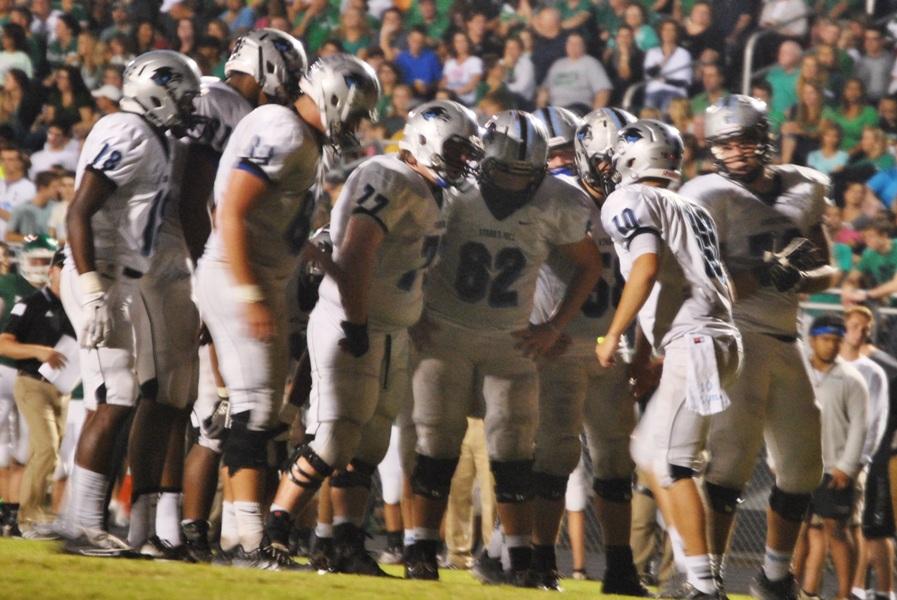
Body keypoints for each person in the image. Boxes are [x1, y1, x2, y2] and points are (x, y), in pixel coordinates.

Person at [264, 100, 481, 575]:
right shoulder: (387, 175)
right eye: (459, 148)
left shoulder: (430, 189)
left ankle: (344, 544)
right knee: (335, 437)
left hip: (390, 328)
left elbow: (402, 267)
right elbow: (358, 252)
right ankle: (273, 535)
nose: (465, 159)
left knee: (370, 444)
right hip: (350, 321)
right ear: (427, 140)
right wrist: (358, 322)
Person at [195, 54, 379, 568]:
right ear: (334, 97)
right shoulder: (287, 132)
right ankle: (253, 544)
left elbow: (278, 224)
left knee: (265, 417)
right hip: (239, 276)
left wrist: (329, 265)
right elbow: (230, 210)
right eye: (358, 111)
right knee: (253, 413)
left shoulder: (295, 133)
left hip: (252, 274)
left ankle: (239, 536)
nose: (359, 124)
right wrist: (250, 291)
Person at [404, 110, 601, 585]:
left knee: (514, 450)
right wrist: (412, 307)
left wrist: (554, 325)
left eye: (524, 173)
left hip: (510, 338)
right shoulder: (454, 191)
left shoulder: (558, 199)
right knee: (435, 443)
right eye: (506, 170)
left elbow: (589, 266)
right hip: (447, 331)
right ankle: (420, 550)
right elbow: (410, 248)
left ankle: (518, 559)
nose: (515, 183)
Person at [679, 95, 835, 598]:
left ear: (764, 139)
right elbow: (700, 283)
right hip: (734, 334)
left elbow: (826, 269)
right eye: (726, 143)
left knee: (802, 467)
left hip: (786, 337)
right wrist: (763, 272)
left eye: (745, 140)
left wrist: (797, 272)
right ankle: (710, 577)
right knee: (728, 463)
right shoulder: (705, 195)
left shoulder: (802, 187)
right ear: (713, 149)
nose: (738, 151)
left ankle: (773, 575)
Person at [57, 50, 201, 555]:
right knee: (114, 397)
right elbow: (79, 212)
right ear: (157, 90)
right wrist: (93, 289)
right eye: (182, 96)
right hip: (99, 276)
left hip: (120, 277)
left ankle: (83, 522)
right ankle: (80, 525)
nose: (188, 107)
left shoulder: (150, 135)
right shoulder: (130, 131)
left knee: (120, 398)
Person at [175, 28, 308, 564]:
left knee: (209, 416)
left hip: (193, 265)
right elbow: (200, 199)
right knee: (218, 413)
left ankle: (192, 532)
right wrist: (202, 285)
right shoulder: (233, 106)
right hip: (196, 268)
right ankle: (203, 534)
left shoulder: (223, 101)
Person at [500, 105, 644, 594]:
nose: (616, 170)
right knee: (555, 455)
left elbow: (643, 286)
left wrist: (641, 349)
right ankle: (540, 558)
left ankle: (620, 566)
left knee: (616, 461)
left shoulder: (637, 203)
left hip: (608, 345)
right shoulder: (556, 197)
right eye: (608, 160)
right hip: (558, 344)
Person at [597, 119, 742, 600]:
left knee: (676, 465)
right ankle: (691, 567)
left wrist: (612, 334)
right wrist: (644, 356)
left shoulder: (628, 199)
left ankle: (703, 582)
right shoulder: (689, 206)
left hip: (696, 341)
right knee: (648, 452)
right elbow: (672, 285)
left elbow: (647, 267)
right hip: (710, 337)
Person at [0, 241, 72, 531]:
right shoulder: (29, 301)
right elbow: (5, 343)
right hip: (28, 380)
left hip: (63, 387)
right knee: (42, 449)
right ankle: (27, 516)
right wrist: (38, 351)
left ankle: (19, 514)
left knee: (35, 453)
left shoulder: (75, 303)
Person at [800, 315, 869, 600]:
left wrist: (847, 466)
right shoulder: (798, 374)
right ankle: (794, 589)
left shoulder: (852, 379)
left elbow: (860, 426)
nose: (831, 346)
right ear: (812, 340)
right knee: (798, 532)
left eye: (836, 340)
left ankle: (844, 594)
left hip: (833, 469)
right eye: (826, 339)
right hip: (799, 467)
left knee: (837, 532)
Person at [841, 306, 894, 600]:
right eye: (854, 325)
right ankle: (853, 587)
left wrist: (866, 456)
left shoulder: (882, 369)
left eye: (864, 327)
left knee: (875, 527)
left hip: (874, 458)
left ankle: (880, 590)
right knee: (846, 526)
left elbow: (878, 421)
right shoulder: (835, 365)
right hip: (839, 457)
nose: (859, 332)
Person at [0, 240, 36, 536]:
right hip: (14, 369)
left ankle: (11, 513)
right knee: (13, 447)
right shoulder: (10, 285)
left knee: (16, 447)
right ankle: (10, 514)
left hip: (22, 371)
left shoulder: (19, 286)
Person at [538, 32, 612, 112]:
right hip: (555, 109)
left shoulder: (591, 63)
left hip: (578, 108)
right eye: (570, 43)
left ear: (584, 46)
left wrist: (594, 116)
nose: (573, 46)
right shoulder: (557, 64)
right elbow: (544, 89)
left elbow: (603, 91)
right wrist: (541, 107)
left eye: (577, 44)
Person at [6, 170, 58, 242]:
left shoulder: (56, 208)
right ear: (42, 188)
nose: (58, 190)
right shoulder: (22, 208)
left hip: (52, 250)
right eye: (54, 187)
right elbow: (9, 235)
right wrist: (31, 240)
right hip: (27, 251)